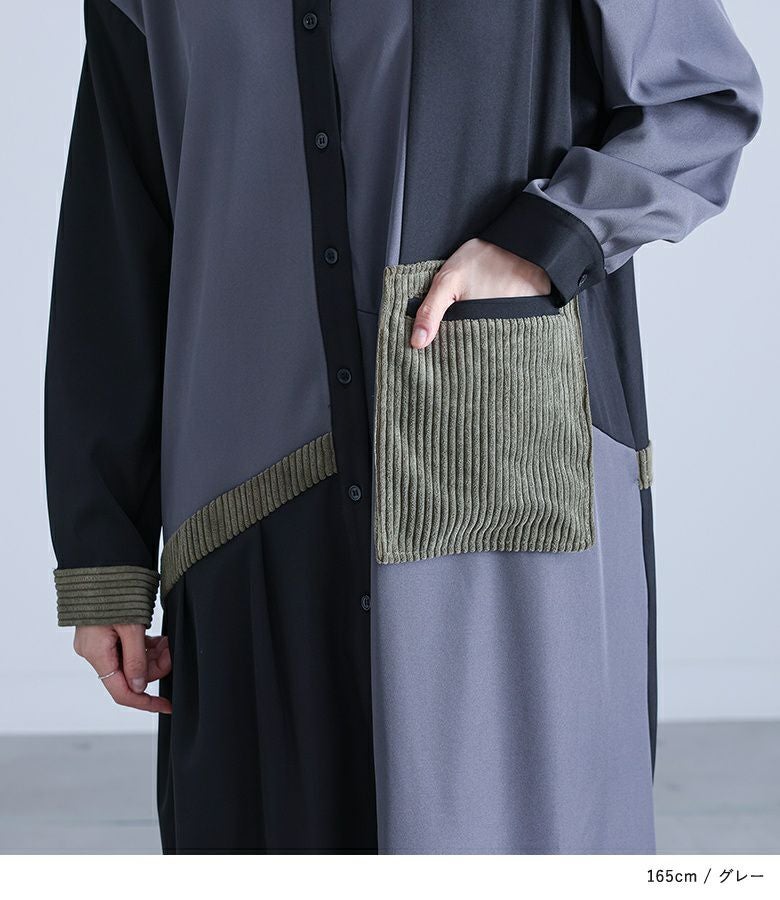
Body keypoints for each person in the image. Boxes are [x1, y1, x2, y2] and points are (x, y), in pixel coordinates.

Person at [45, 0, 762, 854]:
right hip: (244, 493)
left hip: (506, 468)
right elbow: (117, 230)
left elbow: (701, 100)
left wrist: (549, 238)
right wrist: (103, 552)